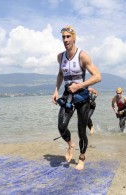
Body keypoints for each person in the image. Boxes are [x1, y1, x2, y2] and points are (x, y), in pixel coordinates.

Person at [52, 26, 101, 170]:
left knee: (81, 131)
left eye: (68, 37)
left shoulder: (82, 56)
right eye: (63, 37)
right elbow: (61, 74)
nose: (66, 40)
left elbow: (98, 76)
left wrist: (79, 86)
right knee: (61, 126)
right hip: (68, 96)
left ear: (74, 38)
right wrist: (56, 90)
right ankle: (70, 145)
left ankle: (82, 157)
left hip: (82, 97)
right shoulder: (60, 57)